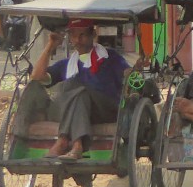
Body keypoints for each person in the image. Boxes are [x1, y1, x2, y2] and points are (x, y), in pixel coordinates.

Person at [31, 19, 135, 160]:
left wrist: (134, 71)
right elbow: (36, 76)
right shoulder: (66, 64)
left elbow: (128, 74)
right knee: (78, 92)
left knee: (75, 86)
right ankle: (77, 145)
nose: (77, 40)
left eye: (82, 35)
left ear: (93, 35)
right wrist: (50, 46)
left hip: (104, 110)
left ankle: (63, 140)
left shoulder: (110, 57)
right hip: (77, 110)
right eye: (73, 36)